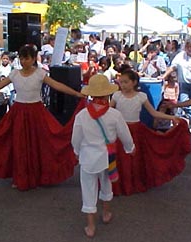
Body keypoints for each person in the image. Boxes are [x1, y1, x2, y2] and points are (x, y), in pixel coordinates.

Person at [0, 45, 85, 191]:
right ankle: (20, 176)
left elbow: (57, 85)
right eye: (21, 58)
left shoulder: (40, 73)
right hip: (18, 112)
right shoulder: (14, 74)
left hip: (36, 112)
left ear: (34, 59)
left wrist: (76, 94)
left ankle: (38, 175)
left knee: (40, 143)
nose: (23, 61)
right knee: (18, 145)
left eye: (26, 58)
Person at [72, 74, 135, 238]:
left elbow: (75, 139)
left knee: (88, 190)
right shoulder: (115, 115)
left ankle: (91, 226)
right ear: (108, 94)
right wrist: (130, 148)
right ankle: (106, 213)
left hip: (87, 158)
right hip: (108, 158)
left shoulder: (82, 115)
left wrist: (77, 152)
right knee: (106, 185)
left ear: (91, 95)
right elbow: (125, 135)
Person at [110, 69, 190, 196]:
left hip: (136, 131)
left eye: (125, 82)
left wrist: (171, 118)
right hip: (119, 131)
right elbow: (109, 111)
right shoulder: (116, 96)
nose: (123, 85)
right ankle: (120, 185)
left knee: (135, 159)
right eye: (121, 82)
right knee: (121, 159)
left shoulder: (141, 96)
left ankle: (132, 184)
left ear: (134, 82)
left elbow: (153, 112)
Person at [160, 38, 191, 126]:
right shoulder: (180, 56)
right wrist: (164, 76)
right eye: (187, 47)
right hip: (183, 83)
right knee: (183, 102)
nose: (189, 49)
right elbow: (173, 67)